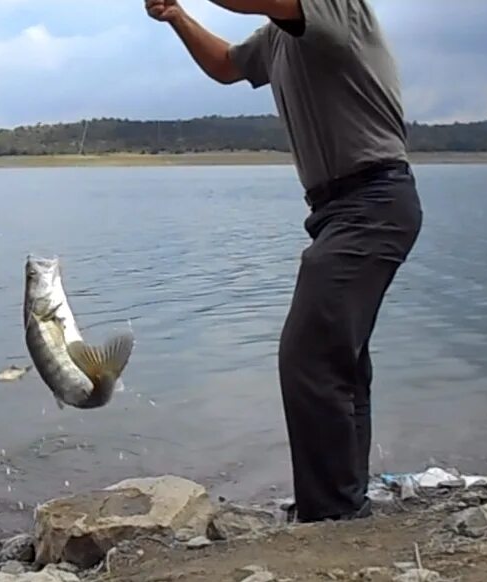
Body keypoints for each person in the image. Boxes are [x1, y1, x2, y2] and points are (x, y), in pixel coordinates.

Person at [145, 0, 423, 523]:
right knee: (339, 361)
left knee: (309, 357)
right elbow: (227, 65)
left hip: (374, 201)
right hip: (341, 210)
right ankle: (344, 502)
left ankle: (333, 513)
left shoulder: (334, 6)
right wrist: (177, 15)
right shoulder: (276, 36)